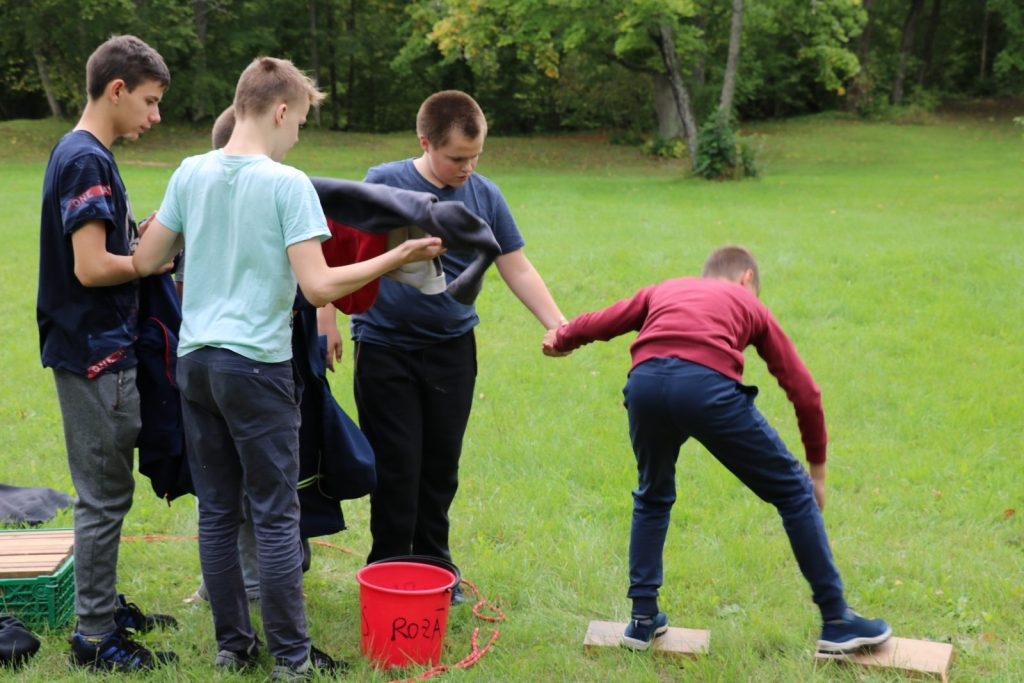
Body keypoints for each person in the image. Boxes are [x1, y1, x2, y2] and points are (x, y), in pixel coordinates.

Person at [132, 57, 443, 680]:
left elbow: (146, 260)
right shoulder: (286, 183)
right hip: (255, 369)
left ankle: (233, 648)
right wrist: (397, 256)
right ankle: (292, 660)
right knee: (275, 515)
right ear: (278, 111)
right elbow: (320, 285)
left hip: (195, 365)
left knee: (218, 512)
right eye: (299, 120)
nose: (298, 133)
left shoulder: (190, 171)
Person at [541, 246, 892, 654]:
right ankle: (836, 620)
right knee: (794, 491)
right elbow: (804, 390)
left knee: (652, 495)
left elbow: (605, 320)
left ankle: (641, 620)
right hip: (705, 389)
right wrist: (817, 473)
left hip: (645, 386)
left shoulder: (665, 289)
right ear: (746, 278)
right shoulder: (747, 301)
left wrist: (562, 338)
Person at [347, 90, 566, 599]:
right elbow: (340, 251)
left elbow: (517, 264)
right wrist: (326, 324)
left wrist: (559, 324)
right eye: (457, 158)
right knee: (397, 463)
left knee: (441, 466)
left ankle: (436, 568)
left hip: (451, 348)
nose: (468, 167)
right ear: (425, 142)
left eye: (476, 156)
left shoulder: (484, 195)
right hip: (384, 347)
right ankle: (388, 568)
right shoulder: (384, 183)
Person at [36, 34, 180, 672]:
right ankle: (94, 637)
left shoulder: (85, 153)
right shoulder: (85, 160)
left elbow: (101, 246)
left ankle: (101, 603)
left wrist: (134, 235)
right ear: (116, 89)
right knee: (103, 497)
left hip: (94, 348)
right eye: (149, 102)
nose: (154, 117)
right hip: (95, 354)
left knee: (108, 493)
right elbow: (92, 269)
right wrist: (151, 260)